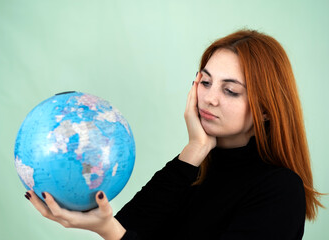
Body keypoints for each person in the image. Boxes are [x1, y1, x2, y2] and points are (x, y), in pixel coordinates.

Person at [24, 29, 324, 240]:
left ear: (266, 110)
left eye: (230, 90)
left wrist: (110, 231)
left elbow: (119, 234)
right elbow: (130, 228)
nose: (209, 98)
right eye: (204, 82)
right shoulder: (193, 166)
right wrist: (194, 148)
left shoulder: (280, 190)